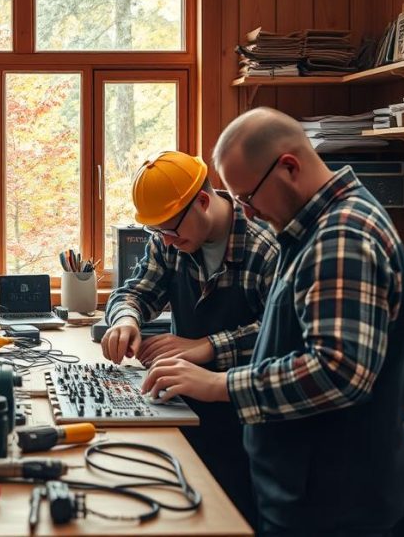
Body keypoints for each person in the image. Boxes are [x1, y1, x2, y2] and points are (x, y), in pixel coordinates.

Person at [143, 108, 404, 535]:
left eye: (248, 197)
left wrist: (220, 384)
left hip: (331, 502)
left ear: (288, 167)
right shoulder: (310, 230)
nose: (246, 214)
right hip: (304, 491)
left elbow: (338, 371)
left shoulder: (341, 236)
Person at [101, 150, 279, 527]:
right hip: (187, 406)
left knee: (234, 517)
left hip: (250, 419)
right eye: (157, 232)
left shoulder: (266, 247)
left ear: (202, 201)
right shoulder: (172, 241)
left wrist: (207, 346)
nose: (164, 242)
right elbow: (135, 292)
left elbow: (280, 330)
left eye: (169, 230)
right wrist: (126, 319)